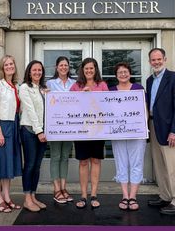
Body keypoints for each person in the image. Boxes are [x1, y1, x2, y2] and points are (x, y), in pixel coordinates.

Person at [146, 48, 175, 215]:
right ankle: (165, 196)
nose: (156, 62)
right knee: (160, 165)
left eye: (159, 59)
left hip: (170, 130)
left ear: (165, 59)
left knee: (174, 167)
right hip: (154, 126)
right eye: (153, 60)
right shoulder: (149, 80)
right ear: (149, 62)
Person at [70, 58, 109, 209]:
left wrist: (93, 96)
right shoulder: (76, 86)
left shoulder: (102, 85)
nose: (89, 71)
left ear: (95, 69)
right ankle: (83, 195)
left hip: (98, 129)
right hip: (81, 130)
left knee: (96, 161)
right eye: (86, 68)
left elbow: (107, 106)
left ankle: (94, 194)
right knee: (83, 161)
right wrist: (82, 95)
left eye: (91, 68)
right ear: (82, 70)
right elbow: (68, 106)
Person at [109, 62, 146, 211]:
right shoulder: (111, 91)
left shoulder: (139, 89)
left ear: (129, 73)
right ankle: (125, 196)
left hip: (137, 133)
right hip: (117, 133)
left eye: (125, 72)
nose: (123, 74)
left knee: (136, 163)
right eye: (120, 72)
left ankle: (133, 196)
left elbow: (145, 110)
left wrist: (144, 129)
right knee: (121, 163)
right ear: (116, 75)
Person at [0, 55, 22, 213]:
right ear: (2, 68)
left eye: (11, 63)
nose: (9, 66)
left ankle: (7, 197)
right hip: (1, 126)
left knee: (8, 163)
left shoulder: (15, 86)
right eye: (6, 64)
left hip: (13, 125)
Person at [46, 56, 76, 204]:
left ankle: (64, 188)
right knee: (56, 156)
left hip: (70, 126)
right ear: (56, 67)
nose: (64, 67)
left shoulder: (75, 83)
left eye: (66, 65)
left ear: (69, 67)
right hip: (55, 126)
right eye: (61, 65)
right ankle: (56, 189)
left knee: (65, 156)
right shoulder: (50, 84)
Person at [20, 60, 48, 212]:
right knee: (30, 165)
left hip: (42, 132)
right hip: (30, 131)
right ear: (29, 72)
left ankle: (33, 195)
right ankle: (26, 199)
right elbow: (30, 111)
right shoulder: (24, 88)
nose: (37, 72)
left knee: (37, 166)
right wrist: (39, 131)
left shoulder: (43, 89)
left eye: (40, 70)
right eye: (34, 70)